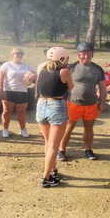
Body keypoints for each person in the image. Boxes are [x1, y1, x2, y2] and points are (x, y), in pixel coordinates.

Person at [58, 42, 107, 161]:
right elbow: (61, 83)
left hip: (91, 104)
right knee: (68, 128)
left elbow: (103, 87)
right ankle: (61, 150)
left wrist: (102, 102)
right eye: (83, 54)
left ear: (92, 54)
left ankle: (88, 150)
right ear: (78, 54)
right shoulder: (71, 67)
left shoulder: (98, 69)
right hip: (73, 103)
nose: (85, 57)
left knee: (89, 128)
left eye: (88, 54)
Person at [36, 47, 73, 188]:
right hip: (56, 105)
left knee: (48, 142)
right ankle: (46, 178)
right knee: (53, 146)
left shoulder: (41, 69)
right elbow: (71, 87)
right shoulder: (64, 71)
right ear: (62, 58)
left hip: (41, 105)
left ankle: (52, 169)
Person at [0, 47, 36, 138]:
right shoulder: (6, 65)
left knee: (22, 112)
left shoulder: (26, 65)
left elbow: (34, 75)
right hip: (9, 91)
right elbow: (1, 79)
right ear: (12, 55)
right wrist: (1, 90)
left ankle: (23, 130)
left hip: (22, 91)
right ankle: (5, 130)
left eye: (21, 54)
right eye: (17, 53)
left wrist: (31, 77)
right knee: (7, 112)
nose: (19, 55)